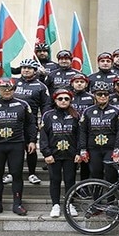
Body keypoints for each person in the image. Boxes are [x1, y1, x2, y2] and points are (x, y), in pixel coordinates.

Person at [0, 58, 51, 185]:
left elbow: (46, 106)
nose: (26, 70)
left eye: (29, 68)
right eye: (23, 67)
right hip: (11, 120)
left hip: (29, 122)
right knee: (11, 149)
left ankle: (32, 173)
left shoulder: (41, 86)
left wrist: (44, 121)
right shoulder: (12, 81)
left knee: (30, 148)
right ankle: (11, 173)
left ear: (35, 71)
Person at [0, 77, 37, 216]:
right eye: (4, 89)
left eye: (10, 89)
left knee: (17, 174)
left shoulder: (23, 105)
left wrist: (32, 140)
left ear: (14, 90)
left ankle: (17, 204)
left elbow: (31, 124)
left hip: (16, 144)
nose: (7, 91)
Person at [39, 88, 81, 218]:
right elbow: (43, 136)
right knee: (55, 180)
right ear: (55, 100)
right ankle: (55, 205)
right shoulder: (48, 115)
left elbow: (80, 136)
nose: (63, 101)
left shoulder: (76, 115)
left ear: (70, 100)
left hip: (70, 155)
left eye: (66, 99)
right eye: (60, 99)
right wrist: (46, 153)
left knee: (70, 180)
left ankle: (70, 204)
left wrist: (79, 152)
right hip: (54, 154)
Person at [78, 81, 119, 183]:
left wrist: (118, 148)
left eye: (106, 94)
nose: (103, 96)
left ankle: (111, 199)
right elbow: (83, 131)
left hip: (110, 148)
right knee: (95, 173)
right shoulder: (87, 111)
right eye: (99, 94)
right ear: (94, 95)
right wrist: (83, 149)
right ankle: (96, 198)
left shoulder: (116, 111)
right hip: (93, 149)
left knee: (111, 173)